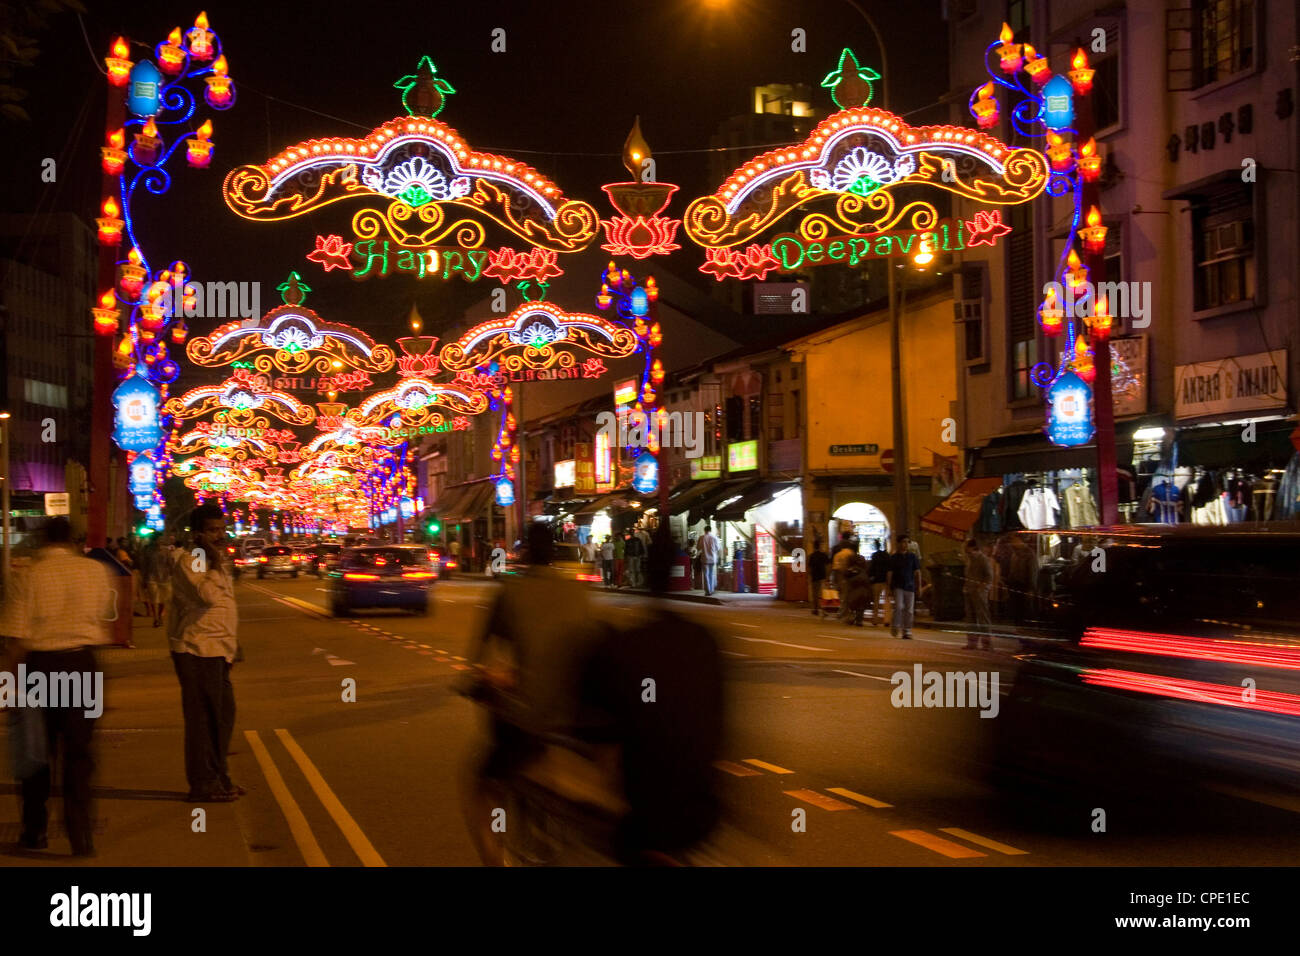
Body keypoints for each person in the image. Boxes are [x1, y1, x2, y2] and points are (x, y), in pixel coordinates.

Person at [576, 526, 724, 864]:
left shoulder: (622, 647)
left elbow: (595, 728)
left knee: (611, 838)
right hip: (705, 809)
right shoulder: (705, 642)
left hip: (646, 811)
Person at [463, 520, 604, 865]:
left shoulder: (510, 593)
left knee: (480, 783)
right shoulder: (577, 591)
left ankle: (494, 858)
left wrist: (484, 679)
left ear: (524, 554)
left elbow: (480, 655)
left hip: (529, 718)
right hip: (580, 718)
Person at [1, 517, 114, 856]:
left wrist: (8, 685)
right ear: (74, 541)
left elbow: (16, 638)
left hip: (41, 668)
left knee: (37, 753)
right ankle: (81, 835)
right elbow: (105, 615)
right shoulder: (95, 572)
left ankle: (34, 831)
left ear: (41, 541)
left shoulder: (28, 576)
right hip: (83, 665)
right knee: (80, 754)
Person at [168, 503, 242, 802]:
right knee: (204, 720)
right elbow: (208, 597)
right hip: (198, 649)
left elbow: (226, 605)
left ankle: (219, 777)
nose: (219, 536)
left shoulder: (213, 560)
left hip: (216, 648)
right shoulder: (195, 558)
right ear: (197, 534)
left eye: (222, 529)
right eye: (213, 530)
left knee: (223, 716)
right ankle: (203, 783)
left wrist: (233, 645)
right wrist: (213, 562)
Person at [962, 538, 995, 650]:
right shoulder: (969, 559)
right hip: (969, 591)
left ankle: (987, 643)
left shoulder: (982, 559)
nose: (964, 548)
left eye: (966, 546)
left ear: (971, 547)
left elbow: (989, 576)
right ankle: (972, 642)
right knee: (970, 617)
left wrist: (982, 588)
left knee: (982, 617)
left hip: (979, 593)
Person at [887, 533, 921, 640]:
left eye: (907, 542)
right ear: (898, 544)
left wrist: (919, 586)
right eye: (903, 542)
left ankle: (907, 630)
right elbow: (890, 573)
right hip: (898, 586)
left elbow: (917, 572)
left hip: (910, 586)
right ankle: (896, 626)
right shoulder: (894, 557)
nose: (905, 544)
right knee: (899, 607)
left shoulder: (912, 557)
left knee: (909, 610)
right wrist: (889, 587)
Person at [1007, 534, 1039, 625]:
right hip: (1015, 586)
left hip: (1024, 586)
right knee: (1017, 612)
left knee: (1025, 611)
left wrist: (1031, 589)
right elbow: (1012, 570)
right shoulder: (1015, 553)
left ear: (1020, 540)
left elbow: (1033, 572)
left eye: (1014, 539)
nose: (1012, 542)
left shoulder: (1029, 554)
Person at [840, 549, 873, 626]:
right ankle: (859, 620)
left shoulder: (851, 567)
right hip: (863, 589)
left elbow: (845, 574)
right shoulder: (863, 567)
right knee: (861, 606)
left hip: (854, 590)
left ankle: (852, 618)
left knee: (853, 604)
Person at [868, 539, 891, 625]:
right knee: (887, 601)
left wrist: (871, 577)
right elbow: (889, 569)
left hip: (877, 580)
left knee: (876, 600)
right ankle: (887, 620)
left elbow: (872, 568)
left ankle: (875, 619)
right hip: (885, 580)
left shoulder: (874, 555)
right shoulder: (886, 555)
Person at [807, 538, 829, 616]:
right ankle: (824, 610)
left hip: (814, 577)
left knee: (815, 594)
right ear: (820, 546)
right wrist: (827, 577)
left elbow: (809, 567)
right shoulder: (823, 555)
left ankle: (815, 609)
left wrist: (809, 576)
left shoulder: (812, 556)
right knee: (823, 594)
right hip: (822, 576)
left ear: (814, 547)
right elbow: (827, 566)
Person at [698, 524, 720, 596]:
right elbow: (718, 548)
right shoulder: (714, 537)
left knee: (706, 575)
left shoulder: (702, 537)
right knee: (711, 574)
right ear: (710, 530)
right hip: (713, 558)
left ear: (705, 530)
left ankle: (708, 591)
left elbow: (698, 547)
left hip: (705, 558)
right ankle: (712, 589)